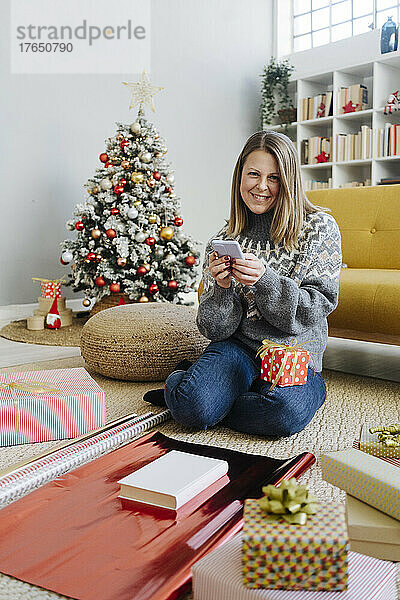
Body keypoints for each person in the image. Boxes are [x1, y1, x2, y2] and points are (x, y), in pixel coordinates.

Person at [144, 130, 342, 437]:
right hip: (237, 350)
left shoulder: (319, 228)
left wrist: (265, 281)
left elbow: (312, 310)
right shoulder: (224, 240)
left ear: (288, 181)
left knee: (283, 413)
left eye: (274, 177)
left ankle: (201, 395)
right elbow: (213, 330)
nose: (261, 186)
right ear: (240, 177)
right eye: (253, 174)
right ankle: (193, 391)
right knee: (192, 408)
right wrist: (222, 290)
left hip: (293, 355)